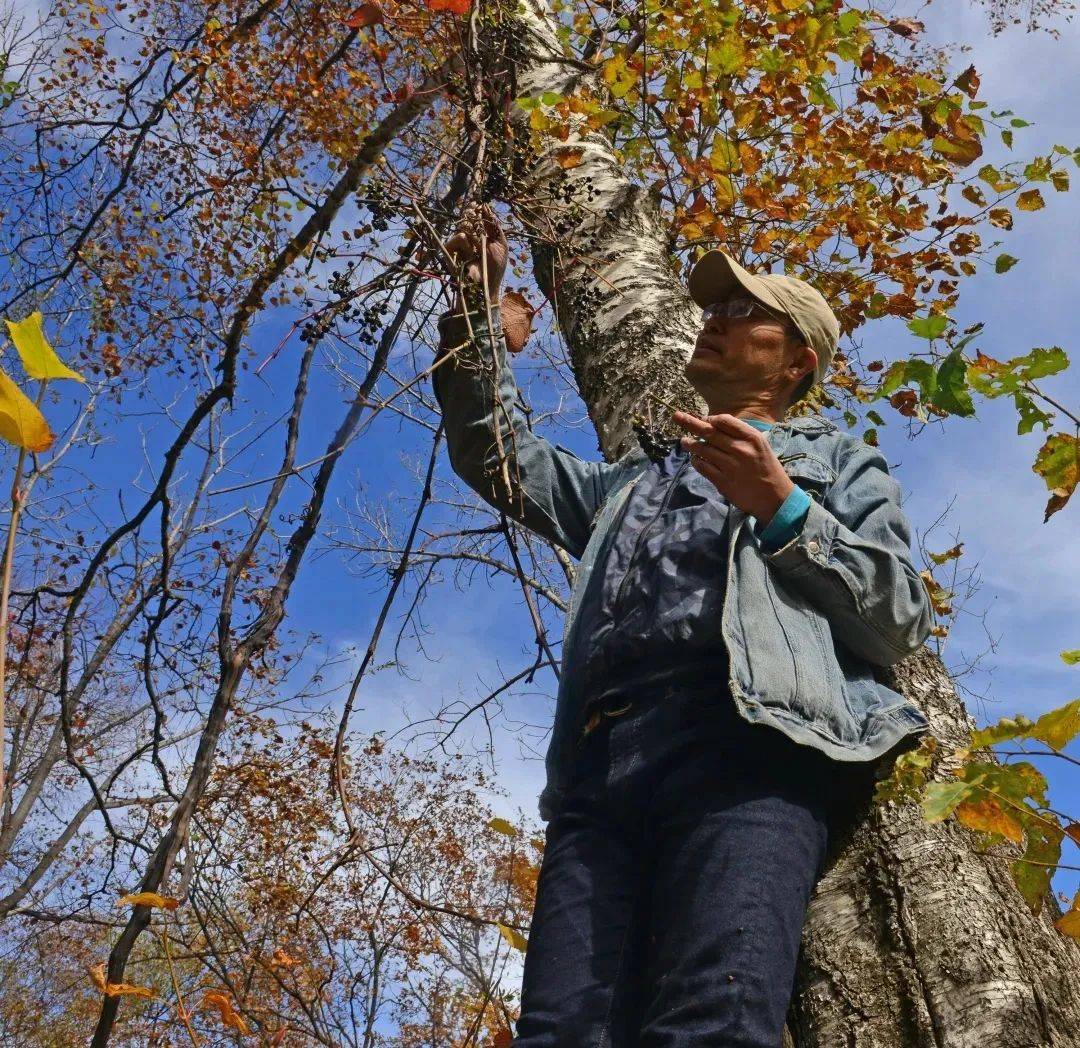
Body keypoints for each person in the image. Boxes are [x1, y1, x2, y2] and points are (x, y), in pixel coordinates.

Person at [432, 208, 932, 1047]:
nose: (717, 320)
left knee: (713, 1018)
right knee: (557, 1032)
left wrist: (781, 504)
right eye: (714, 307)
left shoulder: (838, 461)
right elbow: (500, 459)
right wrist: (475, 319)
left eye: (746, 313)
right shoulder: (631, 481)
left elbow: (898, 615)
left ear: (797, 361)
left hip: (747, 744)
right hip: (599, 766)